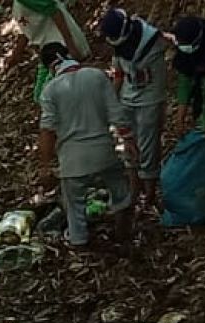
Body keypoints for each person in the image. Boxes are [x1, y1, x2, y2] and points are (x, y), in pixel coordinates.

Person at [37, 42, 137, 249]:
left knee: (75, 207)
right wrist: (129, 141)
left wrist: (45, 166)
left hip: (73, 160)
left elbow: (47, 131)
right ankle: (123, 235)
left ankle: (79, 243)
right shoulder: (97, 76)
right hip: (104, 152)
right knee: (121, 194)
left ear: (50, 68)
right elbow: (116, 113)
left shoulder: (50, 91)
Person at [99, 8, 167, 208]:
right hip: (128, 98)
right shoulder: (119, 46)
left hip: (150, 99)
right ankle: (134, 192)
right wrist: (112, 98)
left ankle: (149, 196)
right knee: (129, 146)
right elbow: (119, 73)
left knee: (148, 148)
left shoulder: (153, 40)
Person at [7, 0, 91, 103]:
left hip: (61, 48)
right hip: (48, 52)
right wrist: (17, 53)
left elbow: (55, 13)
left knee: (48, 95)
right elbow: (28, 27)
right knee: (39, 97)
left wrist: (71, 46)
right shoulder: (18, 4)